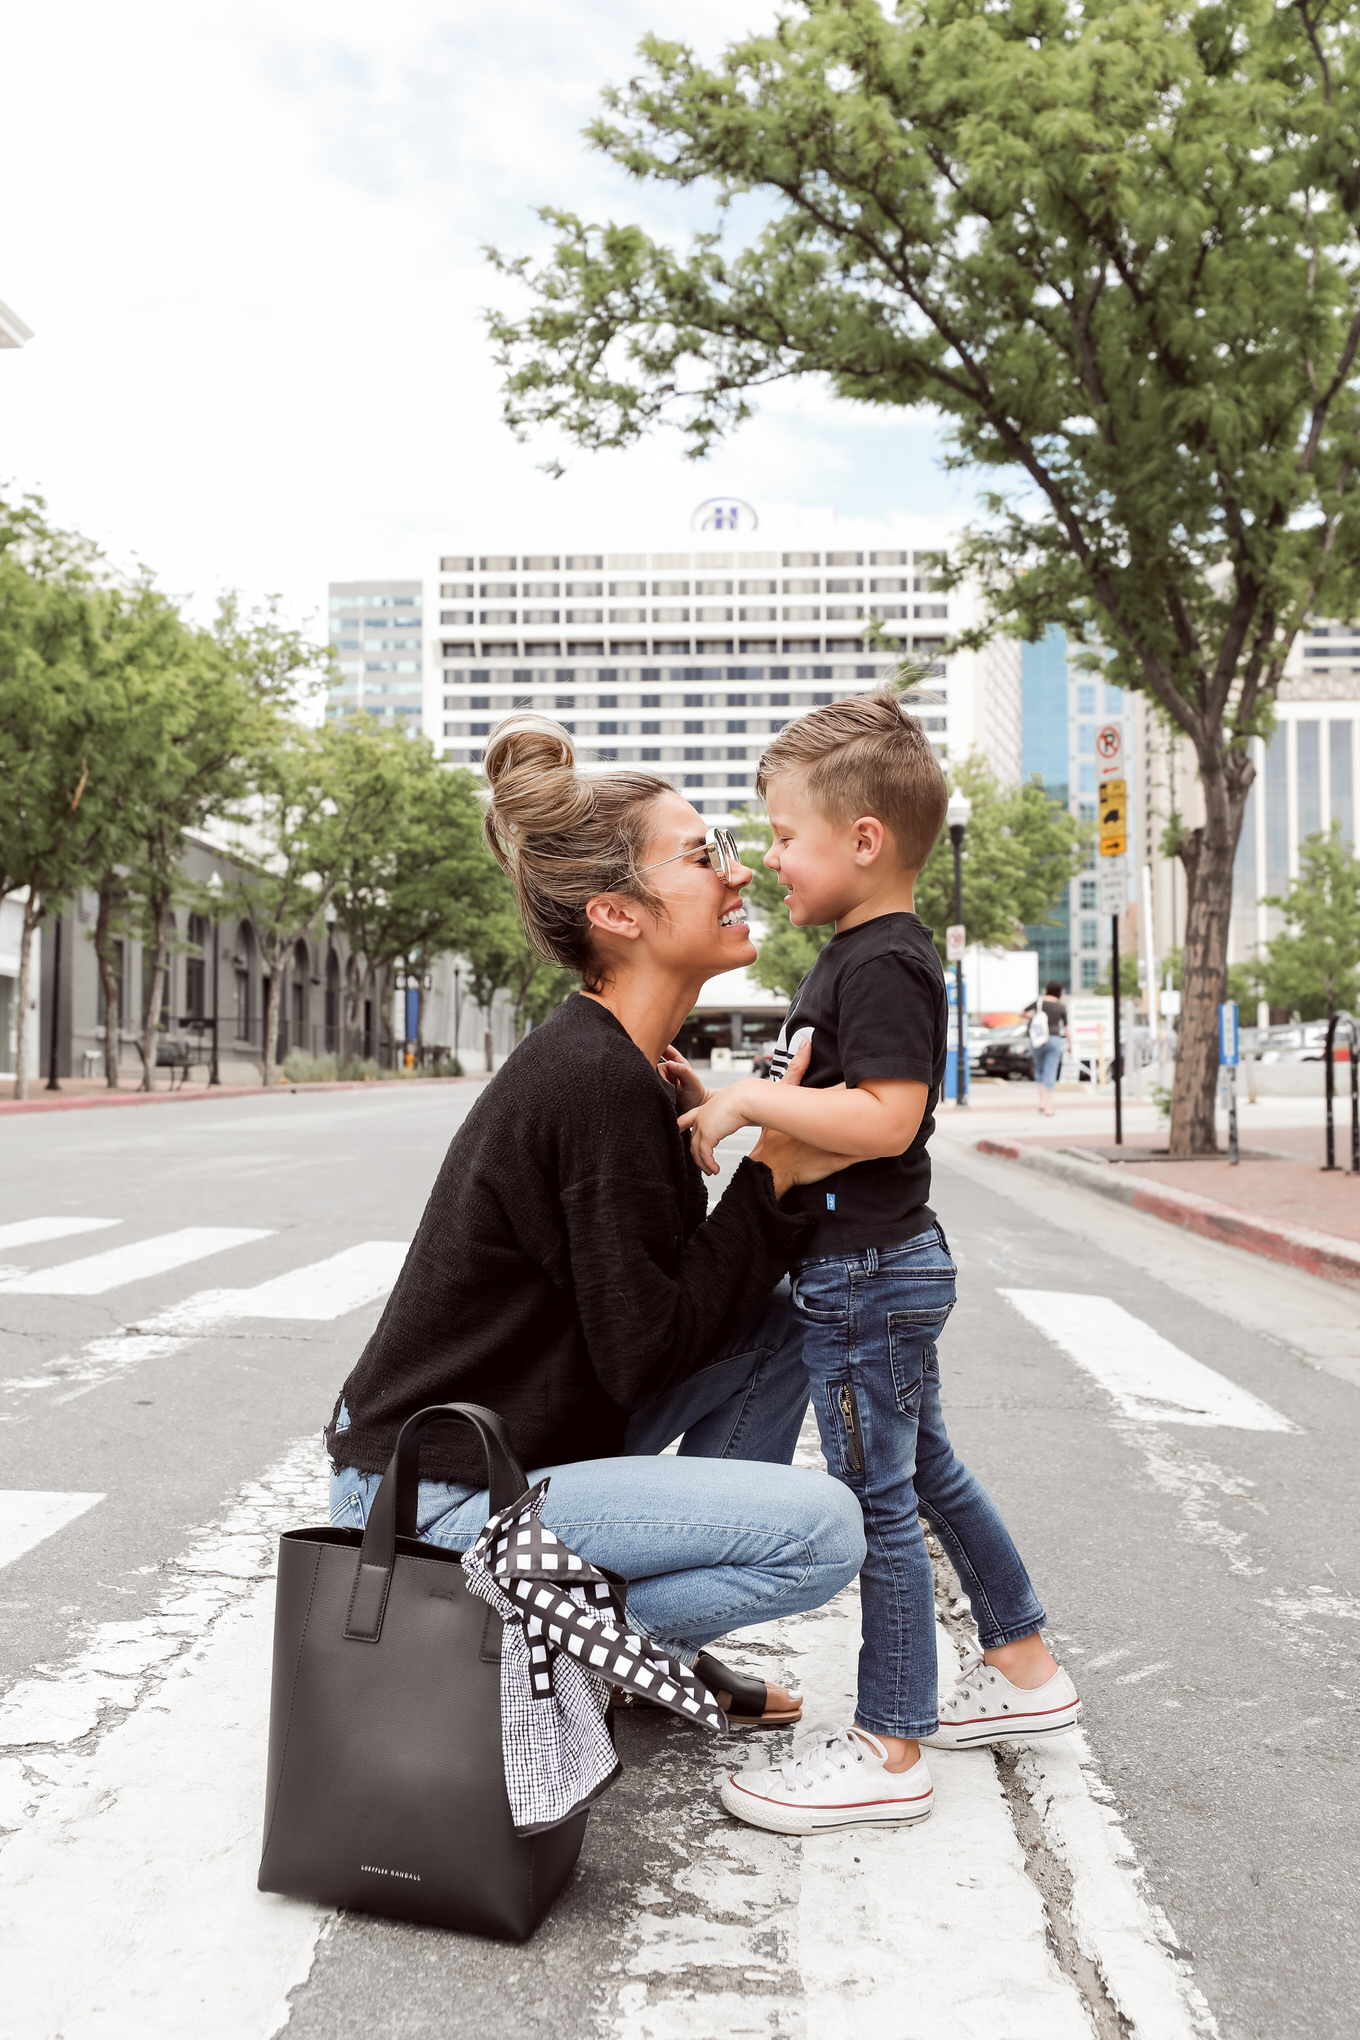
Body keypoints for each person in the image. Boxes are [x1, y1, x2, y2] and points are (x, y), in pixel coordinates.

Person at [326, 715, 867, 1729]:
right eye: (706, 855)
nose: (739, 875)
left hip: (516, 1457)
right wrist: (771, 1181)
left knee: (777, 1325)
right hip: (434, 1502)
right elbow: (645, 1357)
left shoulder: (623, 1075)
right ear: (617, 912)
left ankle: (615, 1643)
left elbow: (669, 1308)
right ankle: (607, 1650)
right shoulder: (592, 1082)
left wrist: (713, 1156)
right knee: (823, 1536)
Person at [677, 691, 1082, 1835]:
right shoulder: (851, 959)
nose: (768, 860)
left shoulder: (886, 961)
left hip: (865, 1273)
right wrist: (727, 1092)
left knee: (878, 1502)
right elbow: (827, 1097)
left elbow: (892, 1118)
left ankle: (890, 1745)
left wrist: (753, 1099)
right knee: (928, 1473)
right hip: (872, 1268)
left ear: (864, 840)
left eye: (786, 838)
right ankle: (1024, 1668)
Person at [1026, 980, 1068, 1116]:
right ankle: (1049, 1107)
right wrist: (1070, 1045)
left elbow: (1022, 1012)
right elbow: (1066, 1028)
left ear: (1047, 989)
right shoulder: (1061, 1007)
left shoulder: (1039, 1002)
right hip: (1055, 1039)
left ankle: (1042, 1102)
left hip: (1038, 1039)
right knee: (1051, 1071)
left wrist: (1031, 1016)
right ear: (1059, 992)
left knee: (1040, 1069)